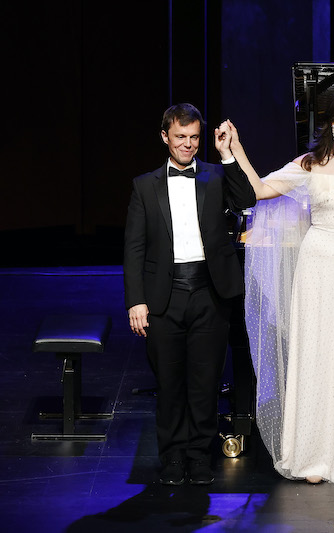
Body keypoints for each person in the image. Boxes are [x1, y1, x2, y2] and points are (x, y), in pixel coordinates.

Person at [216, 90, 334, 483]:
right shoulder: (311, 164)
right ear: (333, 121)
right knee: (316, 355)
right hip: (317, 267)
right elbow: (260, 190)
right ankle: (314, 453)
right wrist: (235, 149)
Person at [123, 103, 256, 485]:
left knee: (205, 381)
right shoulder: (144, 185)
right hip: (163, 296)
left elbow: (246, 199)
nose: (187, 145)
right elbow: (133, 247)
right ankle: (172, 458)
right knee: (169, 383)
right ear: (165, 137)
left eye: (194, 137)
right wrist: (136, 300)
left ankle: (199, 455)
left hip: (209, 294)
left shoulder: (215, 177)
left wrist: (228, 154)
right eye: (180, 137)